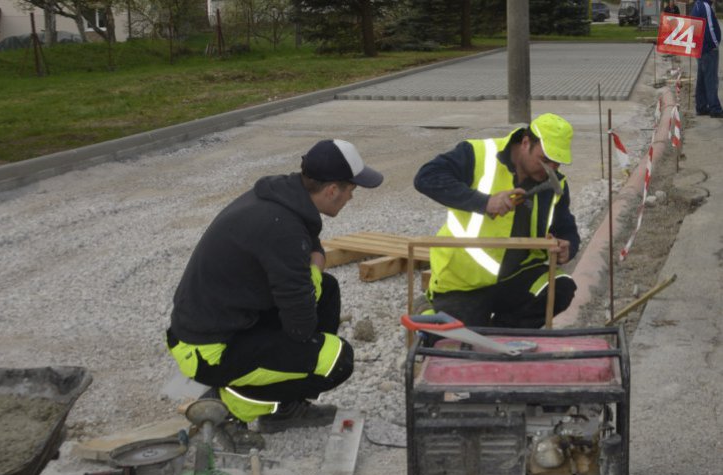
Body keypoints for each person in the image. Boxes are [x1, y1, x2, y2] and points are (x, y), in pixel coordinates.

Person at [167, 139, 383, 433]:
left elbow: (308, 245)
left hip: (227, 322)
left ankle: (282, 394)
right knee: (337, 359)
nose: (351, 198)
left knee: (327, 291)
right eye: (350, 191)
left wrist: (314, 270)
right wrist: (314, 271)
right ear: (332, 190)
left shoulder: (283, 197)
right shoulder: (282, 229)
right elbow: (301, 326)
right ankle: (237, 403)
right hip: (210, 351)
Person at [413, 113, 580, 329]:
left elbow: (565, 227)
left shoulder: (554, 184)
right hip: (465, 280)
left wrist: (568, 246)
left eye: (556, 163)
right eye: (545, 159)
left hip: (516, 276)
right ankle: (429, 306)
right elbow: (426, 178)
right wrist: (484, 202)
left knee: (561, 288)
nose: (550, 168)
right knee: (455, 340)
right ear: (526, 143)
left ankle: (503, 332)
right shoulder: (477, 154)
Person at [691, 0, 723, 117]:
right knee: (711, 79)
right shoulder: (705, 6)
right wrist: (715, 43)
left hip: (700, 48)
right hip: (708, 49)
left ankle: (701, 106)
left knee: (702, 79)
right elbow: (710, 28)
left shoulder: (697, 5)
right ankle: (715, 108)